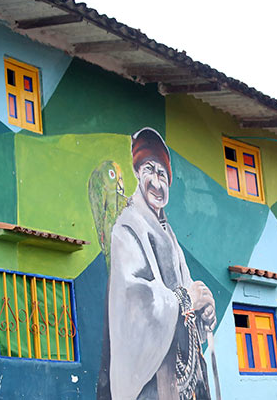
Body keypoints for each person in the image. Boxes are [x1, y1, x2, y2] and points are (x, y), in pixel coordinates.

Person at [97, 127, 216, 400]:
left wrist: (203, 310)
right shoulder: (127, 228)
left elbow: (186, 306)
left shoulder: (169, 235)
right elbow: (136, 301)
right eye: (149, 169)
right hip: (151, 385)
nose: (157, 182)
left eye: (162, 174)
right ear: (137, 172)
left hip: (182, 381)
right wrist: (187, 299)